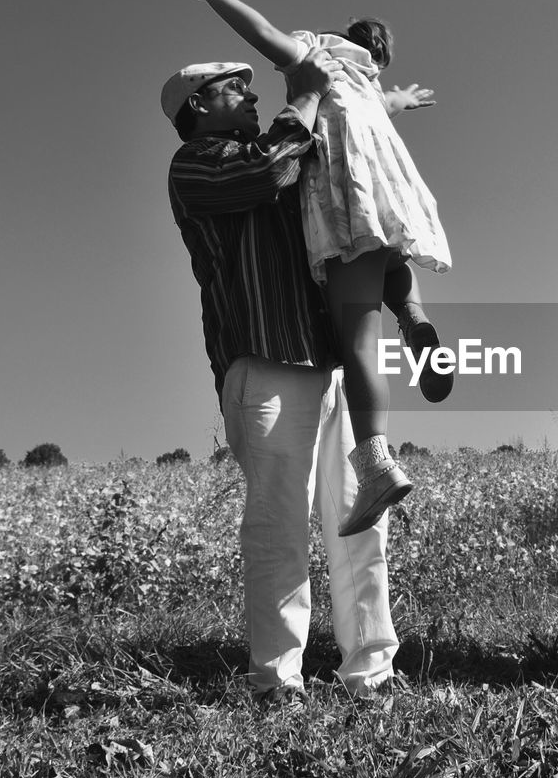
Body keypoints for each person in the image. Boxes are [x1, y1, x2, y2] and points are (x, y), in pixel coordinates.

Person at [160, 0, 452, 537]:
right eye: (232, 88)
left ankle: (376, 460)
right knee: (389, 266)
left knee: (361, 342)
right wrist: (400, 100)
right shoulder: (359, 83)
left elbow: (262, 33)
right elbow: (283, 161)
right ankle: (415, 317)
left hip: (345, 215)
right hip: (391, 200)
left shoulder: (315, 61)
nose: (251, 92)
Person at [161, 47, 400, 701]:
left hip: (327, 364)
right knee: (281, 524)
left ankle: (372, 671)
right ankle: (276, 680)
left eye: (247, 81)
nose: (248, 89)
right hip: (263, 362)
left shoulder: (285, 158)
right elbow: (268, 170)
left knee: (361, 518)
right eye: (231, 86)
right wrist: (307, 90)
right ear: (197, 109)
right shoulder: (197, 164)